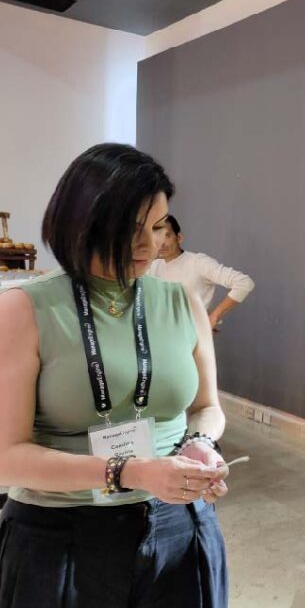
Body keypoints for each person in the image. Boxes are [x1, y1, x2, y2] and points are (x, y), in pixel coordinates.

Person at [0, 143, 232, 607]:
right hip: (62, 534)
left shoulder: (181, 302)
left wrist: (201, 444)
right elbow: (6, 458)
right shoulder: (24, 309)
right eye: (131, 229)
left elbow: (208, 407)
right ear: (82, 222)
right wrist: (129, 471)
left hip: (177, 525)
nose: (151, 245)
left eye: (159, 226)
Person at [149, 215, 254, 331]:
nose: (161, 243)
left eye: (166, 236)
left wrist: (214, 317)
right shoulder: (153, 267)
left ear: (179, 238)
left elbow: (244, 283)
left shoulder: (198, 262)